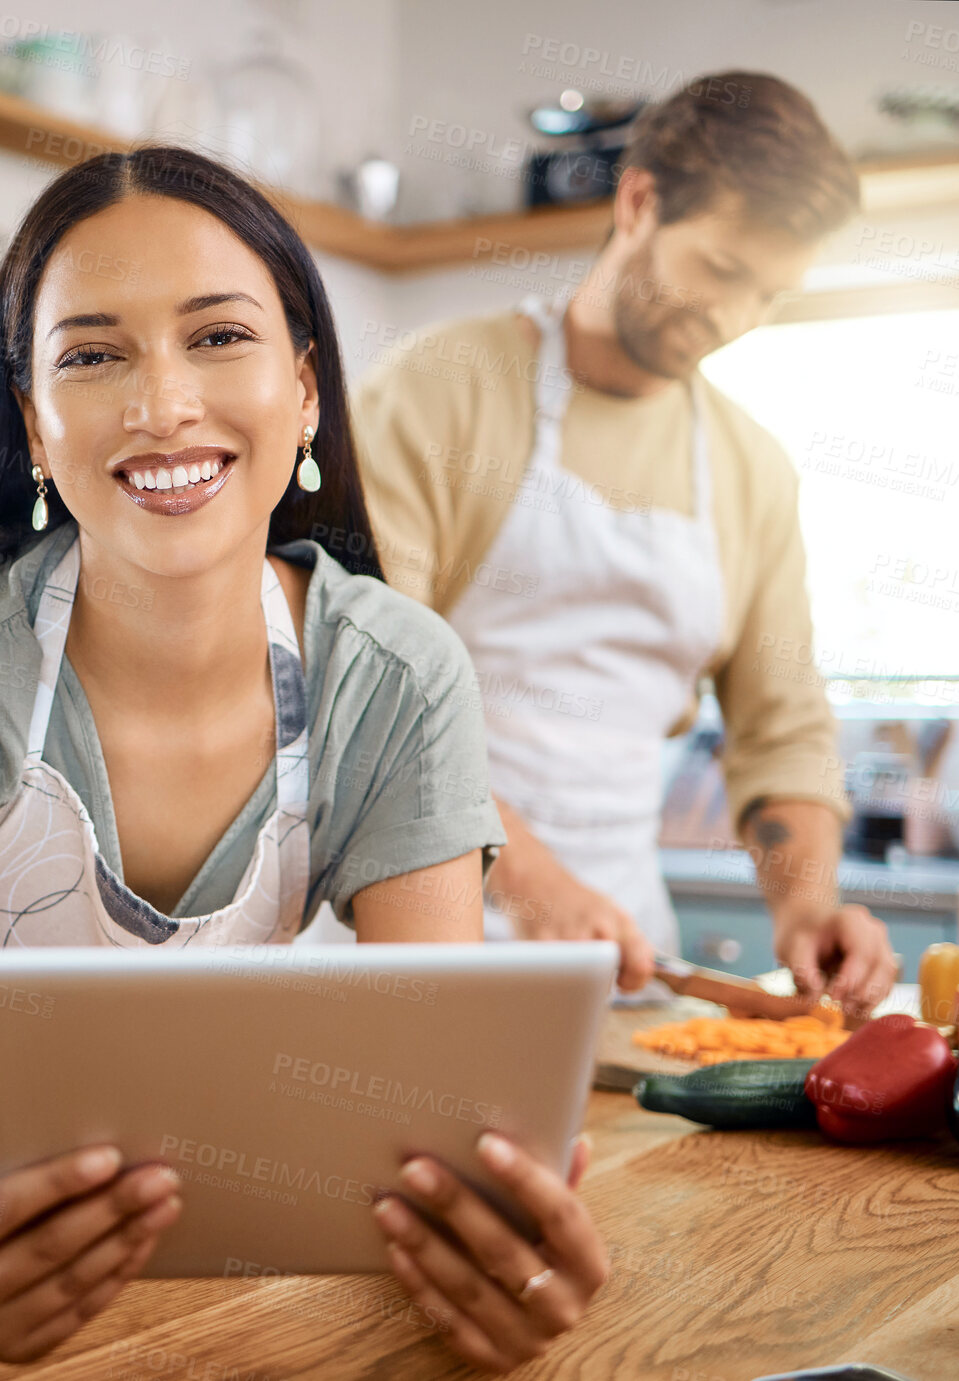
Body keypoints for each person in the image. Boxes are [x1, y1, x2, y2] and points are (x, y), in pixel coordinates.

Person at [0, 146, 610, 1374]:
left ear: (306, 390)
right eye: (93, 355)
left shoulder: (399, 678)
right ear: (34, 428)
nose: (162, 403)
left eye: (218, 337)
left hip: (76, 1199)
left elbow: (421, 1121)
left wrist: (489, 1251)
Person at [350, 71, 897, 1014]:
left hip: (625, 944)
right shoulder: (438, 389)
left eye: (767, 294)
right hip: (417, 919)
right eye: (721, 270)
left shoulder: (749, 468)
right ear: (637, 199)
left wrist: (807, 907)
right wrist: (533, 888)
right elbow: (363, 690)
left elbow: (782, 730)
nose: (732, 318)